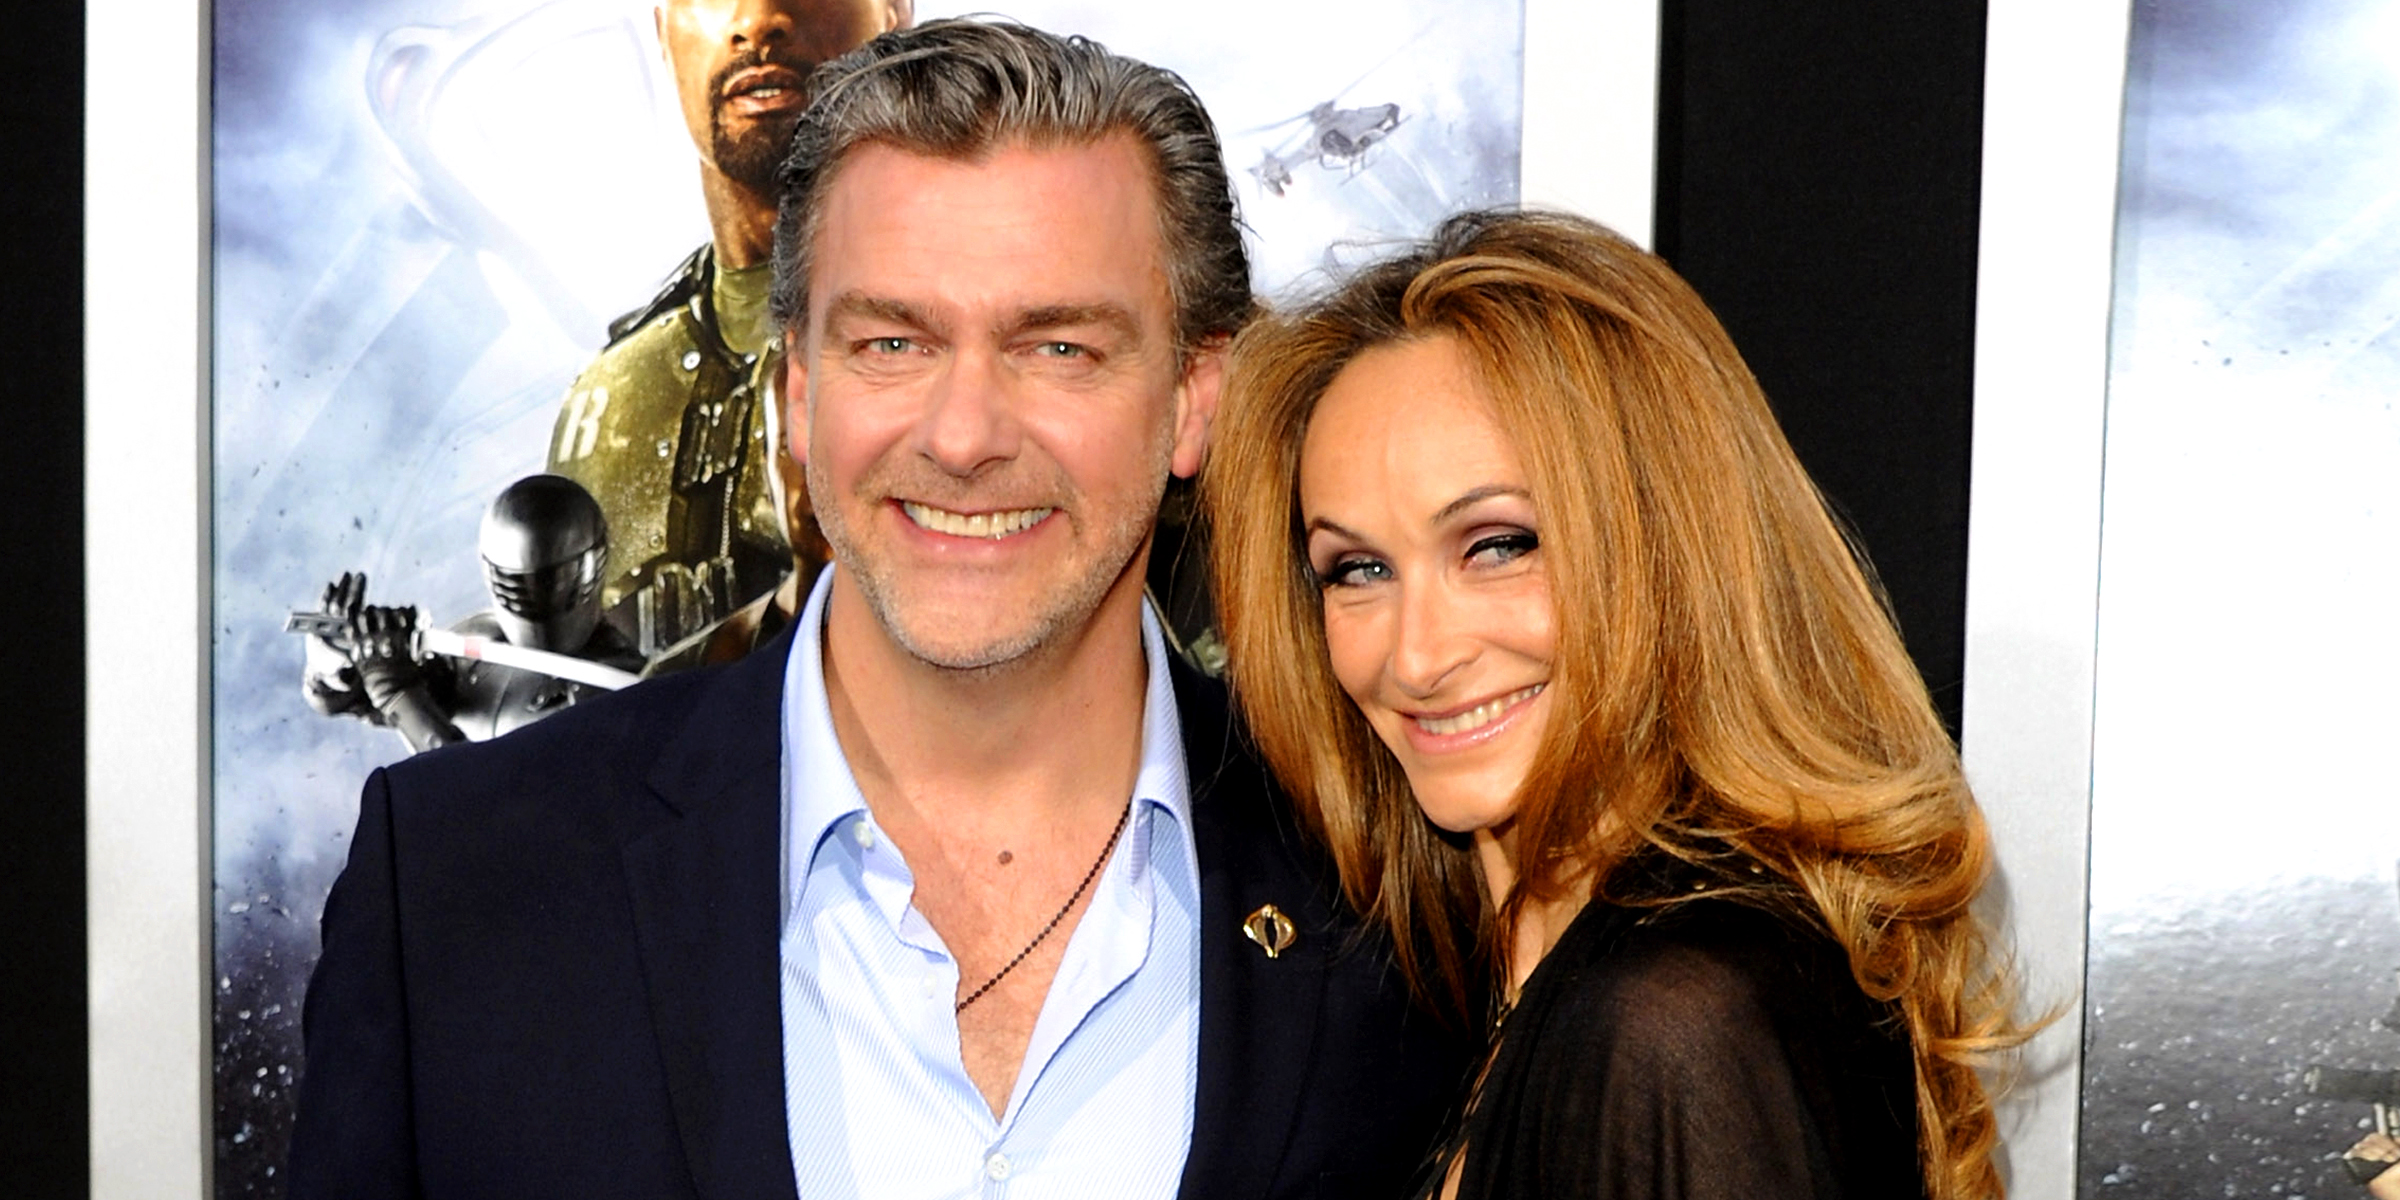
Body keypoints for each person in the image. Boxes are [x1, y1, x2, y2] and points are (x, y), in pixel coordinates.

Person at [286, 19, 1471, 1199]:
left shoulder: (1397, 887)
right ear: (801, 388)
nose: (962, 438)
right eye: (893, 341)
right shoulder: (458, 886)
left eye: (1058, 346)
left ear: (1194, 397)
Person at [1203, 209, 2030, 1200]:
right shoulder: (1512, 988)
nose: (1415, 656)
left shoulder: (1677, 1021)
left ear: (1666, 548)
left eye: (1499, 545)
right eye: (1359, 569)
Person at [545, 0, 905, 657]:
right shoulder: (613, 393)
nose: (758, 18)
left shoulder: (1007, 331)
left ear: (895, 13)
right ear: (662, 30)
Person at [299, 474, 643, 752]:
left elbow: (489, 802)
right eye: (519, 583)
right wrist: (342, 667)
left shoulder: (620, 687)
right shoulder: (477, 644)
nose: (538, 594)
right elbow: (371, 704)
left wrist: (395, 688)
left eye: (554, 580)